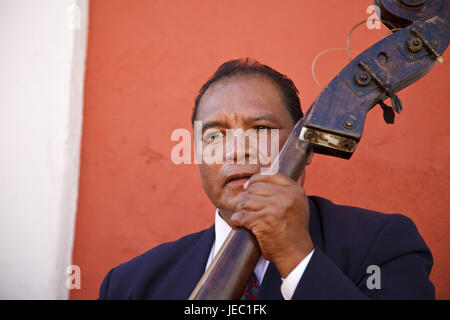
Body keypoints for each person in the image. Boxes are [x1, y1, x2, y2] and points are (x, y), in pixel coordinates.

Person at [98, 58, 435, 300]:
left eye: (261, 130)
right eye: (214, 136)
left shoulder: (384, 244)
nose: (236, 151)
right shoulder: (130, 284)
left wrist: (298, 257)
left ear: (307, 144)